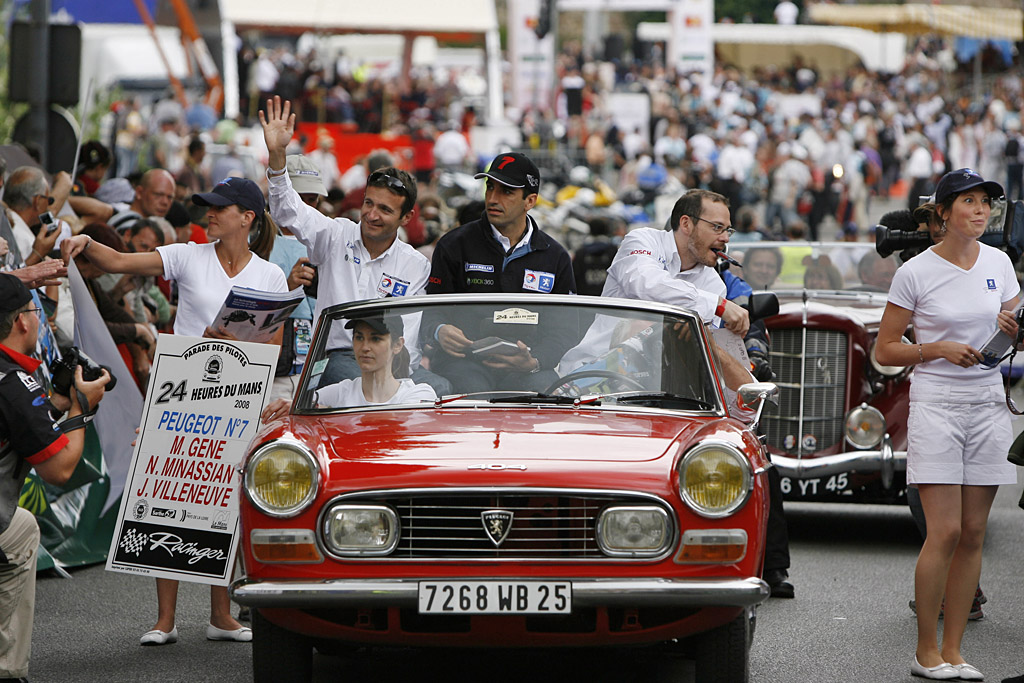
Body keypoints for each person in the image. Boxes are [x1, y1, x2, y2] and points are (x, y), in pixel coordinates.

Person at [62, 176, 287, 646]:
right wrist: (85, 240)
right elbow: (119, 261)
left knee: (222, 503)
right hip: (180, 389)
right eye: (207, 206)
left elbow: (276, 343)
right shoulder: (187, 252)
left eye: (219, 207)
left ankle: (221, 616)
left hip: (238, 397)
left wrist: (236, 343)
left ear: (247, 217)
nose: (208, 213)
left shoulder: (270, 275)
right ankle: (165, 620)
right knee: (174, 498)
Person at [875, 169, 1017, 681]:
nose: (980, 211)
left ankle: (955, 652)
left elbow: (1009, 340)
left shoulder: (1000, 263)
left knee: (975, 532)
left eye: (986, 204)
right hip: (935, 402)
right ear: (943, 213)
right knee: (946, 530)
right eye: (970, 202)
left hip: (987, 403)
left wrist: (1012, 334)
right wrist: (936, 349)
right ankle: (925, 651)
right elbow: (885, 350)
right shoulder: (914, 271)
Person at [259, 97, 448, 395]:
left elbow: (408, 337)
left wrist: (399, 381)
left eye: (385, 210)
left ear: (406, 217)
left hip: (393, 364)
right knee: (358, 384)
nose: (371, 215)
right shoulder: (335, 235)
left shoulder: (416, 264)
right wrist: (278, 155)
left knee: (444, 388)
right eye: (369, 204)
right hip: (335, 357)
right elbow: (287, 210)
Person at [0, 273, 111, 681]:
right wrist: (80, 407)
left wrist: (58, 403)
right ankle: (8, 670)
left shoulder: (16, 385)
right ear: (21, 323)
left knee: (24, 524)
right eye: (35, 309)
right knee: (20, 533)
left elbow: (23, 420)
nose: (41, 318)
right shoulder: (14, 383)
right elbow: (60, 469)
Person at [424, 152, 577, 393]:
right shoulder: (453, 245)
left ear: (530, 201)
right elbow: (428, 311)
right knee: (472, 391)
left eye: (506, 191)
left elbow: (565, 330)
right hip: (463, 363)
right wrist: (439, 330)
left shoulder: (555, 256)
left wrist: (535, 361)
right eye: (490, 187)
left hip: (526, 369)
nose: (493, 198)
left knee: (544, 394)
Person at [261, 314, 436, 420]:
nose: (365, 347)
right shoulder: (341, 391)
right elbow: (305, 404)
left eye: (375, 339)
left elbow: (397, 425)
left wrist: (326, 411)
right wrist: (292, 405)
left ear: (398, 345)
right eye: (359, 337)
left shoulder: (419, 393)